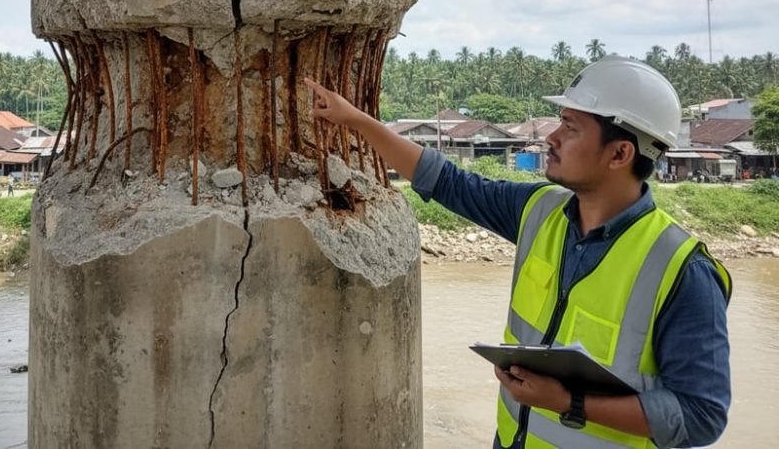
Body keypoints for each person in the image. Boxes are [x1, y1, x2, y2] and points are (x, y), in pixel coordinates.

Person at [306, 55, 731, 448]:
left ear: (620, 153)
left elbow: (700, 415)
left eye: (571, 127)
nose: (552, 137)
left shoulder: (681, 269)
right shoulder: (539, 211)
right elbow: (448, 182)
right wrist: (355, 119)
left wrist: (569, 402)